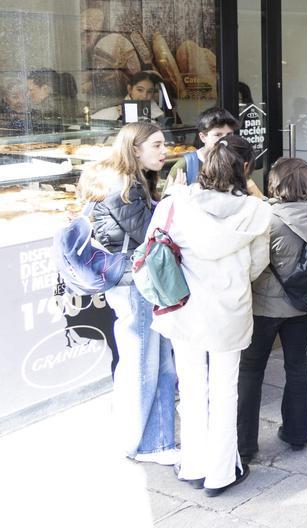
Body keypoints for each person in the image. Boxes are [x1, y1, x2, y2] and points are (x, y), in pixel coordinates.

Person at [150, 134, 271, 495]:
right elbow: (256, 266)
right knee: (225, 388)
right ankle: (221, 472)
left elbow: (154, 246)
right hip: (228, 307)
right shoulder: (258, 211)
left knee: (190, 386)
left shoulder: (175, 202)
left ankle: (193, 464)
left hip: (183, 305)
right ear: (245, 169)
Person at [237, 158, 307, 463]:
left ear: (276, 184)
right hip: (302, 303)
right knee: (296, 365)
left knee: (250, 369)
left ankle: (244, 443)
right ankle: (297, 433)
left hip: (264, 306)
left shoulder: (268, 220)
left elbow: (254, 265)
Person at [85, 121, 176, 464]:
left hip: (138, 278)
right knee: (142, 364)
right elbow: (147, 233)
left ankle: (158, 442)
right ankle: (133, 441)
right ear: (134, 149)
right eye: (156, 145)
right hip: (134, 280)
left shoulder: (131, 181)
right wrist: (170, 201)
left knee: (161, 365)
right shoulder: (123, 185)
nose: (164, 151)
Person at [164, 107, 239, 188]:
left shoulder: (236, 161)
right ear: (203, 137)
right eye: (218, 135)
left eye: (229, 134)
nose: (225, 140)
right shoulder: (186, 165)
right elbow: (166, 200)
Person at [92, 71, 167, 123]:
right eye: (140, 90)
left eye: (149, 91)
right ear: (130, 89)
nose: (144, 96)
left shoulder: (159, 115)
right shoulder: (110, 114)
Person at [25, 68, 78, 132]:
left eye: (30, 90)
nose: (27, 94)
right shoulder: (64, 104)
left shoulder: (50, 111)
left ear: (45, 89)